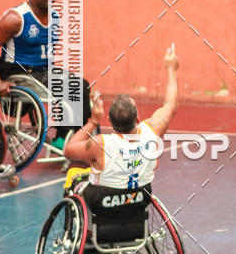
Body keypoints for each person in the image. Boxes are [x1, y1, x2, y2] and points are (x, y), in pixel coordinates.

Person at [0, 0, 91, 146]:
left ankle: (71, 135)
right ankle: (65, 140)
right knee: (76, 87)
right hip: (21, 71)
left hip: (42, 71)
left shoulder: (54, 16)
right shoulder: (16, 18)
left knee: (80, 86)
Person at [63, 44, 179, 204]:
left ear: (110, 122)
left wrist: (93, 121)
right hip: (139, 201)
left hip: (104, 205)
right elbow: (171, 106)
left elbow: (68, 150)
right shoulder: (151, 132)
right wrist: (171, 70)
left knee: (74, 170)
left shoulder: (101, 144)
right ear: (137, 119)